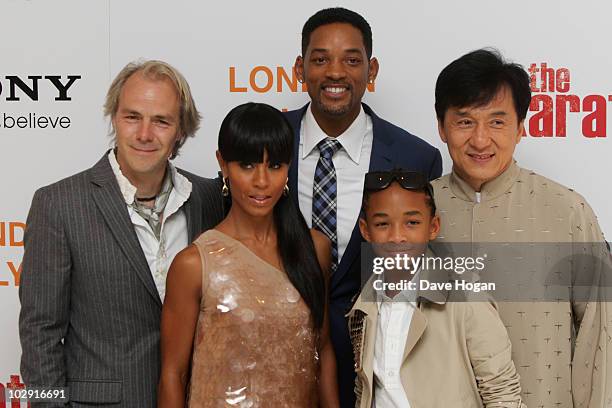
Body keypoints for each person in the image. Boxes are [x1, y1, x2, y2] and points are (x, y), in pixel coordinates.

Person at [18, 60, 224, 407]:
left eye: (161, 121)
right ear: (114, 118)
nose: (145, 134)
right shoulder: (58, 205)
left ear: (181, 131)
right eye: (132, 117)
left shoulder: (208, 199)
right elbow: (39, 337)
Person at [432, 49, 611, 407]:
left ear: (521, 127)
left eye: (497, 122)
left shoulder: (567, 211)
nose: (480, 140)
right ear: (441, 127)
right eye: (465, 121)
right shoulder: (415, 214)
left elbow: (600, 337)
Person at [285, 8, 442, 405]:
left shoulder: (415, 157)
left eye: (351, 60)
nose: (336, 72)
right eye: (320, 60)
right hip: (276, 357)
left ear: (371, 70)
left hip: (377, 365)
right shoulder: (265, 141)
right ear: (300, 68)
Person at [158, 102, 340, 407]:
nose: (261, 181)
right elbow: (172, 375)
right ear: (223, 164)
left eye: (274, 166)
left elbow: (322, 350)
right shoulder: (194, 263)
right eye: (247, 165)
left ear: (289, 166)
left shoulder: (314, 249)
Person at [348, 169, 525, 407]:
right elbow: (366, 390)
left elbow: (503, 395)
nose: (397, 236)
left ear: (433, 227)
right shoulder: (362, 307)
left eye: (412, 222)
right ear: (365, 229)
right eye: (382, 224)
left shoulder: (467, 298)